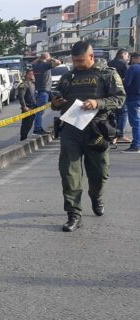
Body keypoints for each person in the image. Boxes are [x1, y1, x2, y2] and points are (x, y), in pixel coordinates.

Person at [51, 41, 125, 232]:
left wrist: (97, 102)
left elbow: (119, 98)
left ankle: (96, 196)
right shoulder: (68, 77)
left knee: (99, 172)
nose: (77, 64)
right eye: (74, 60)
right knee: (69, 172)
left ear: (91, 57)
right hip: (71, 130)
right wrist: (56, 103)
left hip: (96, 131)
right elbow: (57, 102)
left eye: (80, 60)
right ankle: (74, 214)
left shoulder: (107, 74)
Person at [31, 52, 62, 134]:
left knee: (60, 102)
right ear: (47, 58)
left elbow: (32, 63)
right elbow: (58, 62)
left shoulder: (35, 65)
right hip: (44, 91)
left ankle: (61, 122)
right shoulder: (45, 65)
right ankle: (37, 129)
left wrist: (40, 58)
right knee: (40, 111)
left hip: (43, 91)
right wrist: (51, 59)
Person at [108, 49, 130, 143]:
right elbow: (126, 79)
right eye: (127, 55)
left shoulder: (109, 63)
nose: (127, 57)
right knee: (123, 113)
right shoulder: (124, 64)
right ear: (123, 54)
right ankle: (120, 134)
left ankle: (113, 135)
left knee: (113, 113)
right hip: (121, 92)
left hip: (109, 92)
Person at [121, 52, 140, 153]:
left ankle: (136, 145)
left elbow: (127, 83)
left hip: (134, 98)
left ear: (133, 59)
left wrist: (123, 80)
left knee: (135, 122)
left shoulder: (133, 68)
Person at [18, 69, 38, 141]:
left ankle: (24, 138)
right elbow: (21, 97)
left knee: (30, 125)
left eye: (33, 74)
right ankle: (23, 139)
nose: (33, 75)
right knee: (25, 125)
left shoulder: (32, 84)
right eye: (31, 74)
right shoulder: (23, 84)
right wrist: (24, 106)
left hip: (34, 107)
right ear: (27, 75)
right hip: (27, 107)